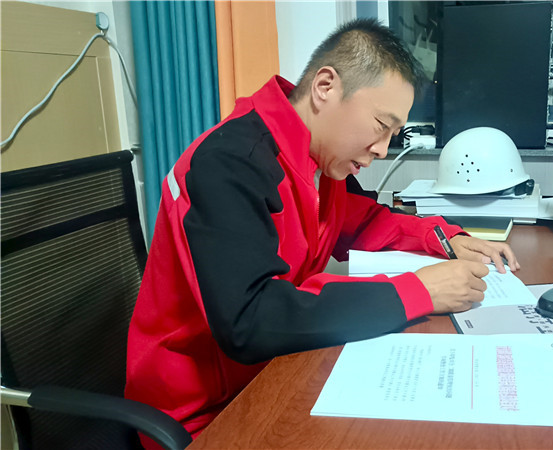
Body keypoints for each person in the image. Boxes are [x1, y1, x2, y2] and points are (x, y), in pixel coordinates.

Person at [125, 18, 520, 445]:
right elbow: (249, 320)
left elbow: (365, 221)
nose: (382, 149)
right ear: (325, 87)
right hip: (203, 414)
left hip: (274, 370)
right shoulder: (230, 164)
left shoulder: (317, 160)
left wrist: (445, 238)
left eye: (393, 134)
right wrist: (420, 291)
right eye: (380, 125)